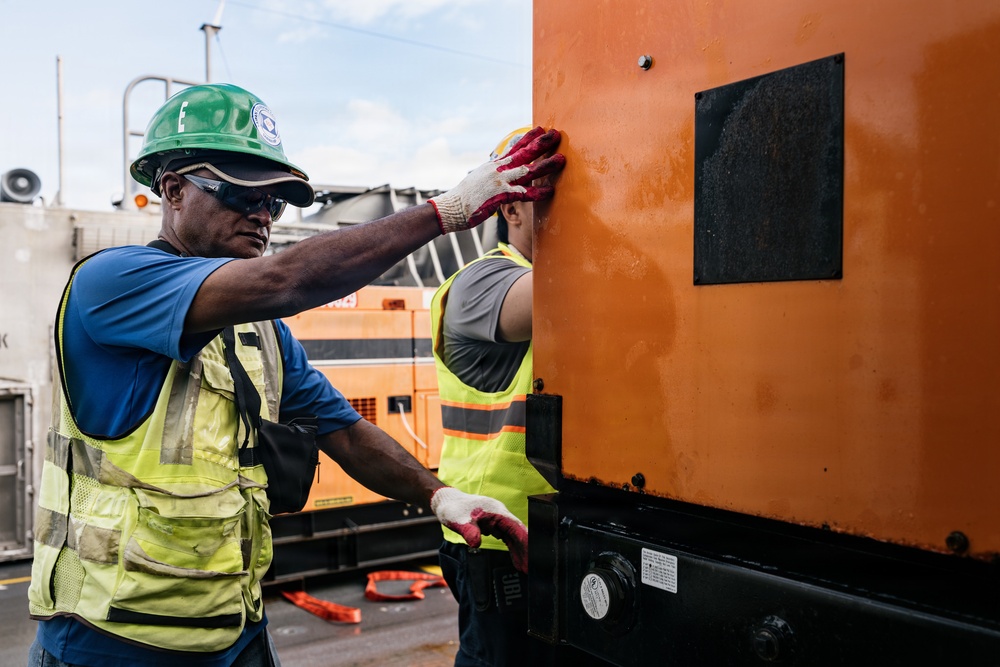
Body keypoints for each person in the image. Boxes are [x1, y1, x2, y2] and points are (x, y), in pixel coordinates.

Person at [26, 84, 564, 667]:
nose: (262, 214)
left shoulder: (259, 330)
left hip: (235, 628)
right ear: (173, 189)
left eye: (275, 203)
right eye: (241, 193)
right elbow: (286, 281)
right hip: (112, 643)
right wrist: (446, 212)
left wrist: (440, 496)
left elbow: (344, 431)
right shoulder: (112, 283)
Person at [433, 128, 596, 667]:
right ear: (511, 209)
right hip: (498, 538)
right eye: (552, 195)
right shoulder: (483, 283)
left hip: (557, 531)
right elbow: (583, 288)